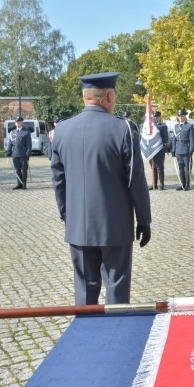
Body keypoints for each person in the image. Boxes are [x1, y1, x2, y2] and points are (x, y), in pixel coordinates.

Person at [51, 71, 152, 305]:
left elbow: (58, 180)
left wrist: (67, 215)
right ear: (108, 97)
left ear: (84, 97)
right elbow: (135, 178)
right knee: (116, 287)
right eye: (114, 96)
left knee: (84, 290)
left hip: (78, 224)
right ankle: (116, 327)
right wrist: (144, 219)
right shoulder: (123, 128)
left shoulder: (62, 130)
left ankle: (84, 328)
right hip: (114, 225)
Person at [171, 109, 194, 191]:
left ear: (185, 116)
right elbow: (174, 139)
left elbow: (191, 139)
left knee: (187, 168)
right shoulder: (175, 126)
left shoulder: (189, 126)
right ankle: (182, 184)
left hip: (186, 148)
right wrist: (173, 150)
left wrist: (191, 149)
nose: (180, 117)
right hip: (178, 149)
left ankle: (187, 184)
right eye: (179, 116)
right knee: (180, 168)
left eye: (182, 116)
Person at [6, 116, 32, 189]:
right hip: (15, 152)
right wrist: (8, 151)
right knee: (17, 169)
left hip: (23, 152)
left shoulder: (26, 132)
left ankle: (24, 184)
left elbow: (29, 144)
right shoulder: (12, 132)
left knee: (24, 169)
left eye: (19, 122)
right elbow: (10, 143)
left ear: (22, 122)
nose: (17, 123)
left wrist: (28, 153)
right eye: (16, 122)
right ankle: (19, 184)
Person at [151, 111, 169, 190]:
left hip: (160, 149)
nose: (155, 118)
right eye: (154, 116)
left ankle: (161, 185)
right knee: (153, 167)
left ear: (159, 117)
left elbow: (165, 138)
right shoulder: (150, 126)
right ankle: (154, 184)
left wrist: (157, 144)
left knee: (159, 167)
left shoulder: (163, 126)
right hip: (152, 150)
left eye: (157, 116)